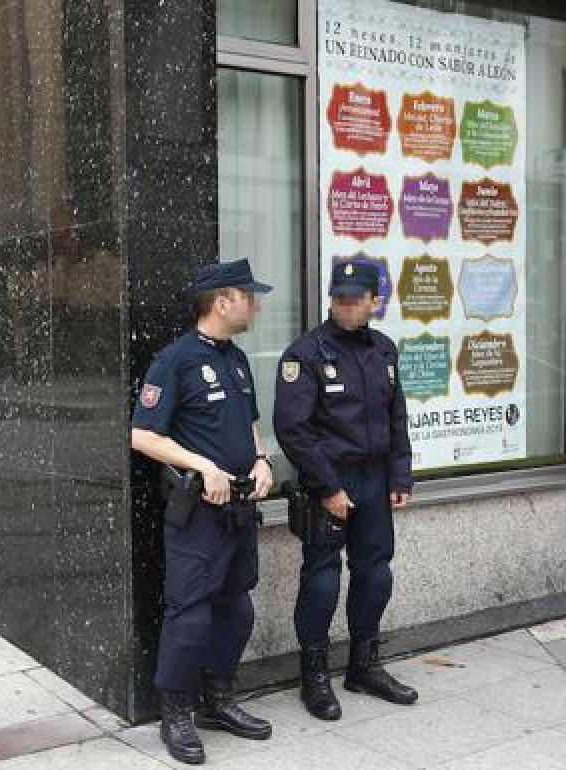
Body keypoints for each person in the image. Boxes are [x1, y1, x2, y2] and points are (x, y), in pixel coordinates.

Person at [131, 259, 276, 765]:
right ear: (222, 302)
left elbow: (251, 423)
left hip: (240, 510)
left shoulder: (236, 359)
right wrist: (201, 463)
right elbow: (142, 435)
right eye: (249, 296)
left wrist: (261, 460)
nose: (255, 305)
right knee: (189, 613)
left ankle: (218, 698)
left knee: (236, 608)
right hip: (198, 514)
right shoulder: (175, 361)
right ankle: (176, 710)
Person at [273, 259, 418, 722]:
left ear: (375, 302)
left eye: (355, 299)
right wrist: (327, 487)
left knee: (375, 572)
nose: (344, 306)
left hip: (375, 480)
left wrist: (400, 476)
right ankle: (314, 676)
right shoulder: (306, 354)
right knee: (322, 577)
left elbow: (397, 417)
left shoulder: (384, 350)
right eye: (338, 298)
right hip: (329, 481)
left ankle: (364, 665)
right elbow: (292, 430)